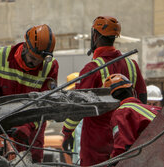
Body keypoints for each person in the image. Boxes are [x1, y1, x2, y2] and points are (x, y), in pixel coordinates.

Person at [62, 16, 147, 166]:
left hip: (97, 146)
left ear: (95, 36)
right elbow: (142, 101)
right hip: (127, 139)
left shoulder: (92, 69)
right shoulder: (132, 65)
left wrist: (67, 132)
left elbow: (78, 107)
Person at [0, 24, 59, 163]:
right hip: (1, 126)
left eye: (37, 61)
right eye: (31, 57)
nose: (32, 62)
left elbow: (45, 106)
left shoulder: (50, 67)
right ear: (25, 46)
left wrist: (26, 127)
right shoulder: (0, 57)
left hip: (31, 133)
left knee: (32, 162)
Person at [103, 74, 161, 159]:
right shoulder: (155, 109)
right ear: (133, 91)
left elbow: (122, 147)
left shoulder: (121, 112)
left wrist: (114, 162)